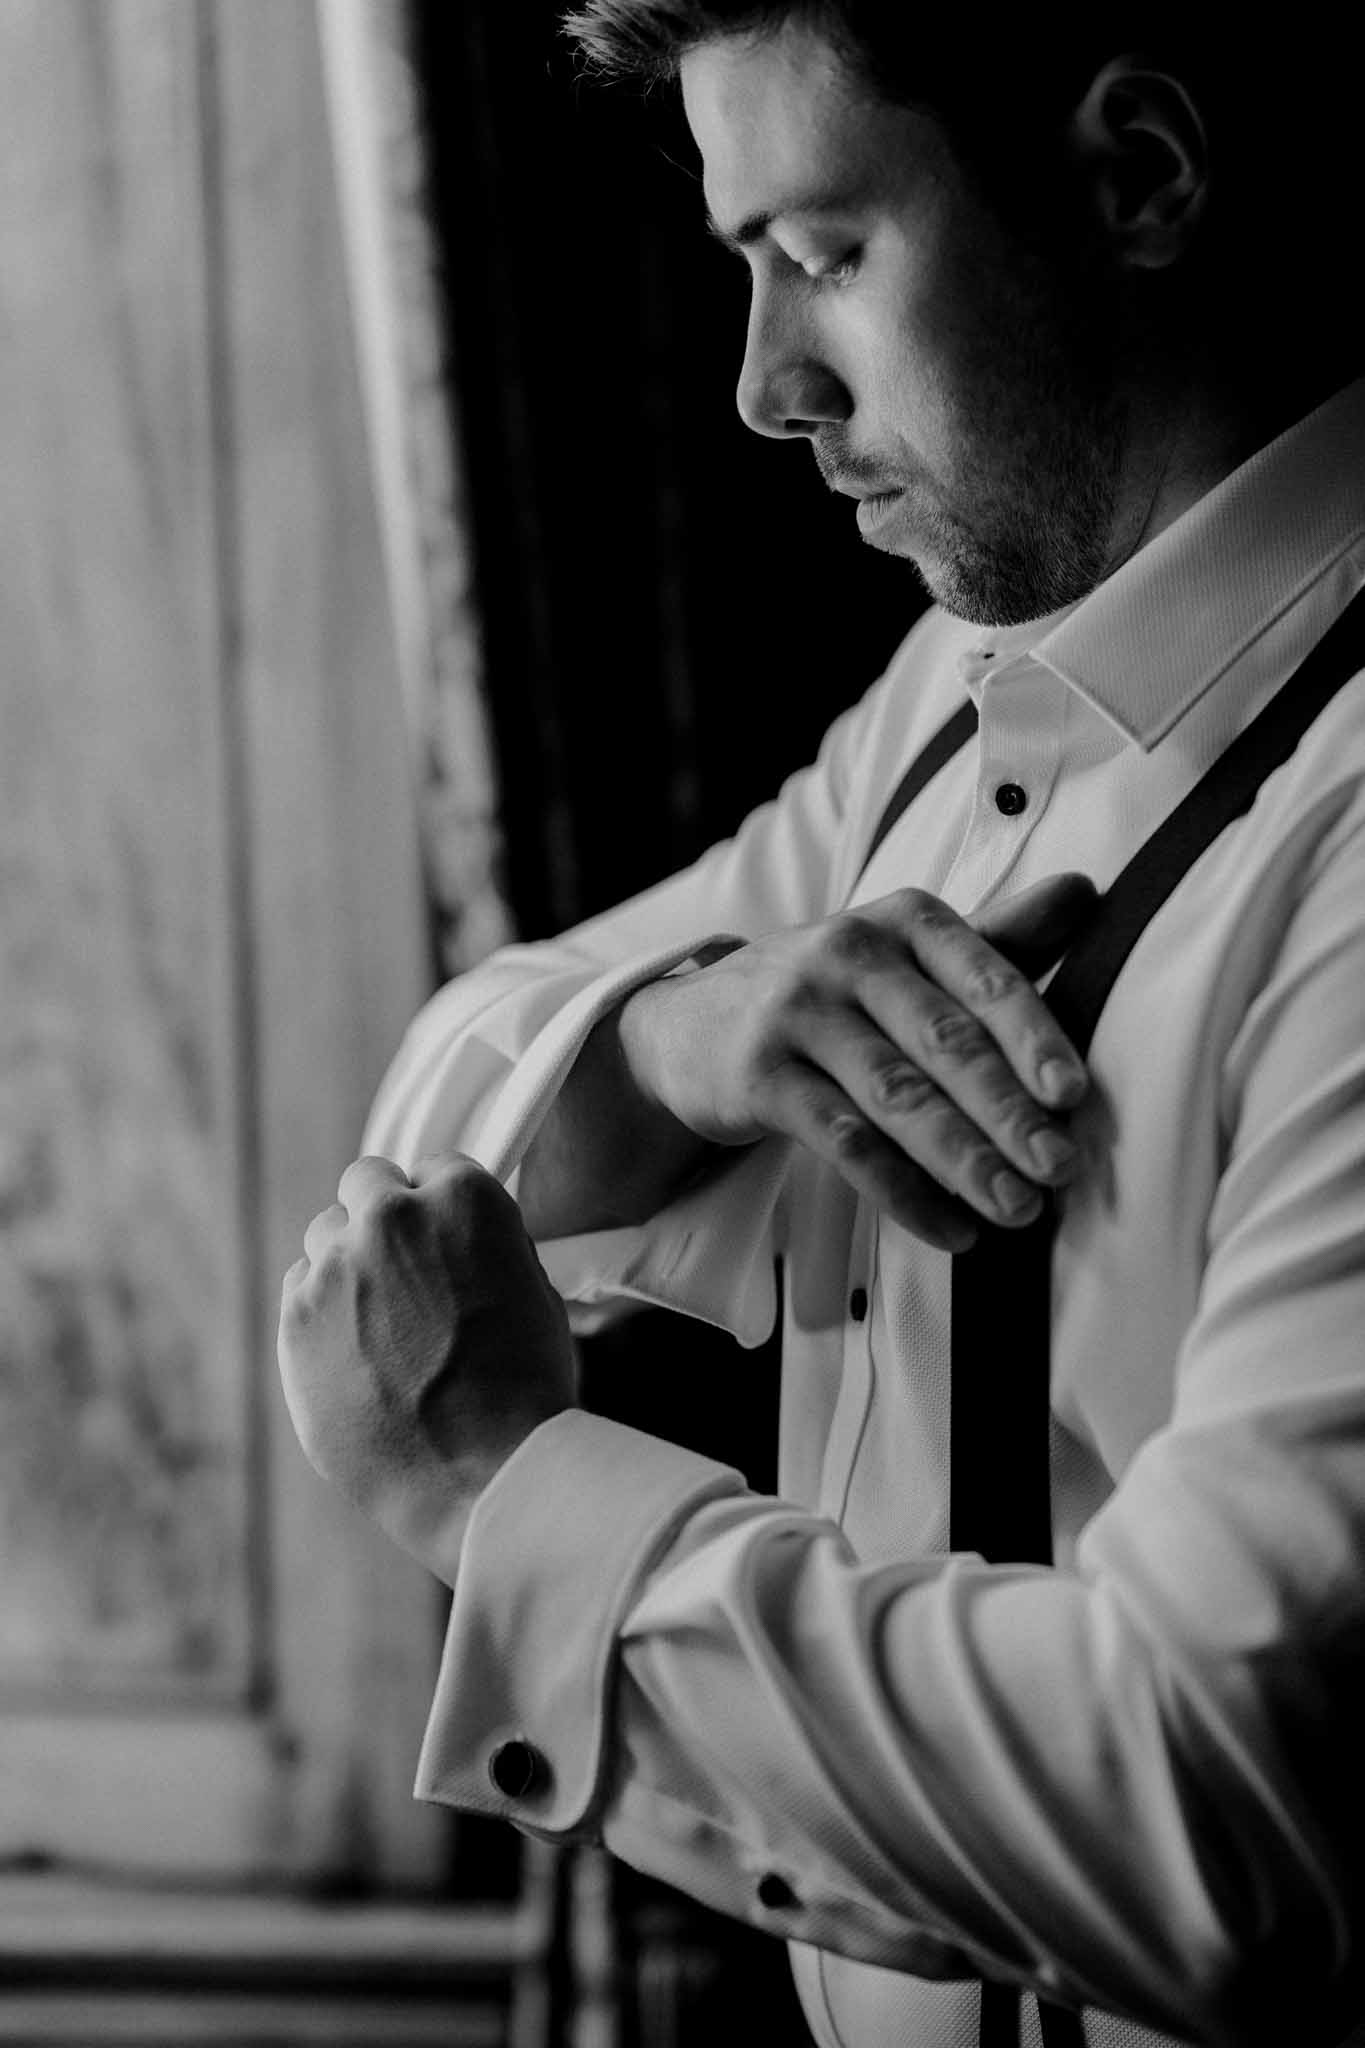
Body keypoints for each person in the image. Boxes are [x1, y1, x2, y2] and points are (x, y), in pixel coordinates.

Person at [276, 9, 1365, 2046]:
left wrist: (510, 1504)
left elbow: (1217, 1803)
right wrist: (689, 1035)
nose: (764, 387)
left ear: (1137, 180)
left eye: (830, 253)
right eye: (741, 263)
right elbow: (464, 1072)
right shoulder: (959, 688)